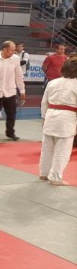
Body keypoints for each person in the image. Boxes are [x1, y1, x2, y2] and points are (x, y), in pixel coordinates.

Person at [39, 58, 77, 186]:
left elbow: (44, 102)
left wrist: (44, 118)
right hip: (66, 119)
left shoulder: (52, 83)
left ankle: (44, 173)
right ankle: (55, 177)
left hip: (50, 115)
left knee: (47, 148)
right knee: (62, 150)